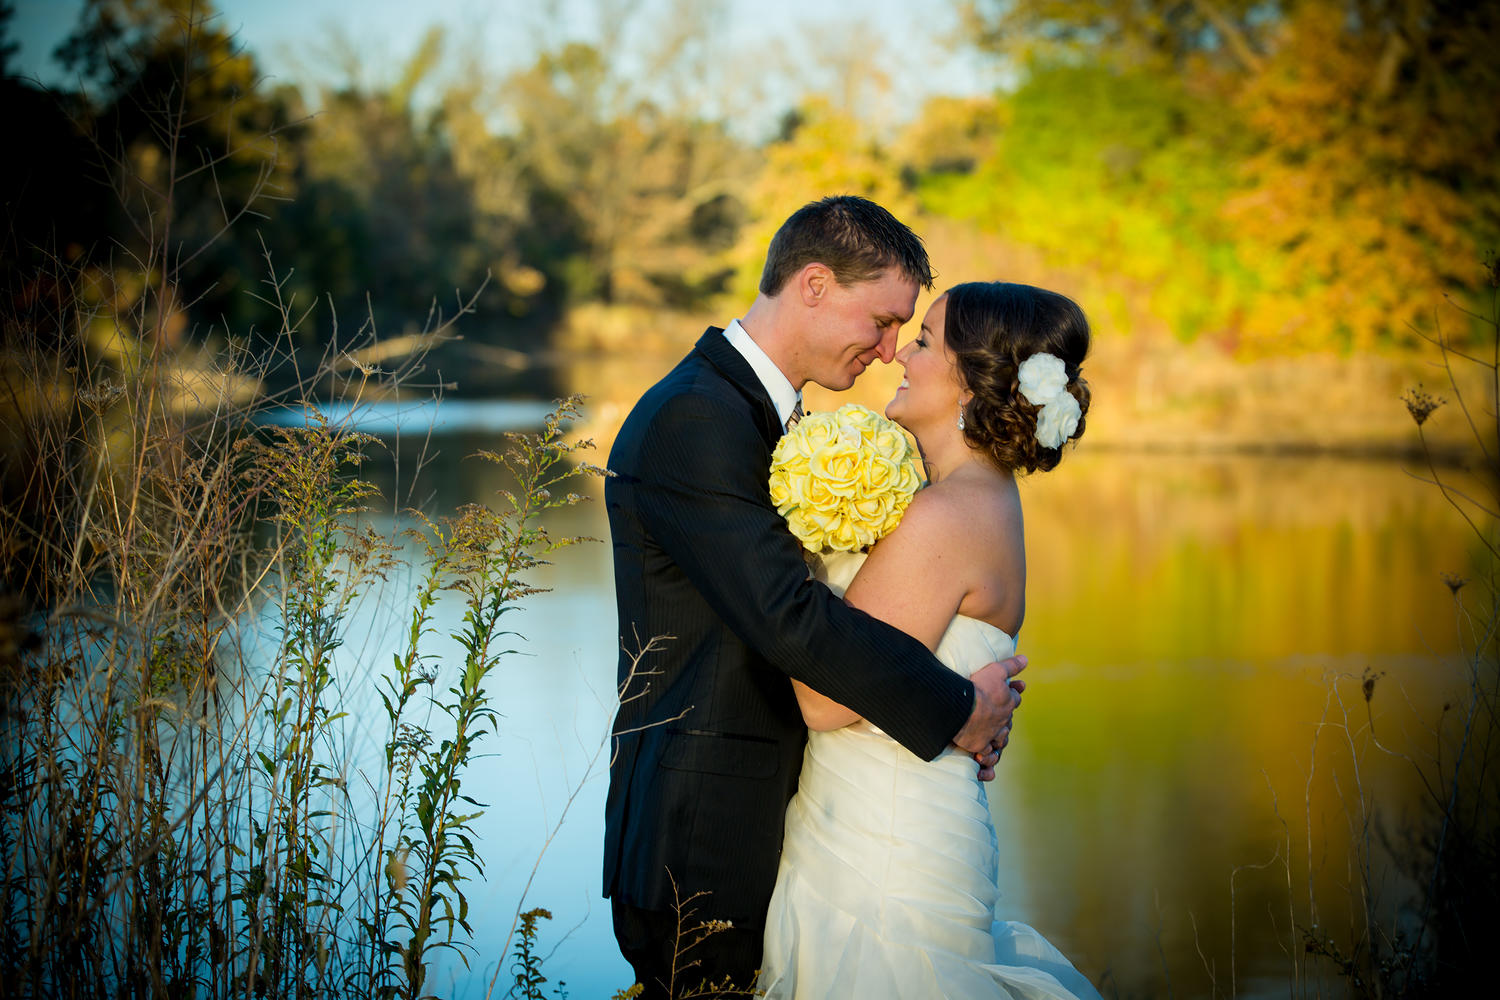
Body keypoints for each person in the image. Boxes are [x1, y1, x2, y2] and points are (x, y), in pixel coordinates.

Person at [603, 197, 1027, 999]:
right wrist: (954, 704)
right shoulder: (697, 418)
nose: (890, 348)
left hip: (784, 827)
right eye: (882, 320)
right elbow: (788, 617)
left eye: (907, 331)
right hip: (703, 837)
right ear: (814, 285)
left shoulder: (761, 417)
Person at [758, 281, 1103, 999]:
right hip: (890, 829)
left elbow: (825, 701)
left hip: (882, 858)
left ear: (970, 382)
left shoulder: (948, 515)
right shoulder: (977, 499)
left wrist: (783, 556)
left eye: (923, 342)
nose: (899, 355)